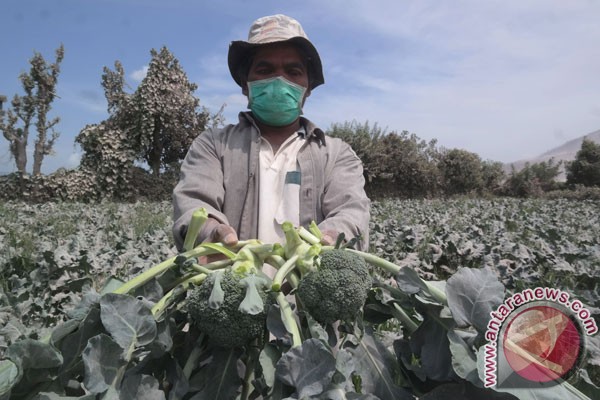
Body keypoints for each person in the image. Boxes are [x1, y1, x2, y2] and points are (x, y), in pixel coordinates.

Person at [172, 14, 370, 264]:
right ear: (246, 84)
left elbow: (351, 212)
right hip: (229, 294)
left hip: (305, 302)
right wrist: (211, 230)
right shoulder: (213, 145)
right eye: (265, 70)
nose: (279, 80)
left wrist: (331, 238)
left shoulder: (336, 154)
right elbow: (194, 202)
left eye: (293, 71)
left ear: (308, 87)